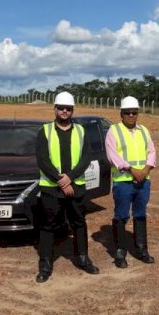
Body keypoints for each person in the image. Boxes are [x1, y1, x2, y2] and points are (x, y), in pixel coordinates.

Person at [34, 91, 99, 283]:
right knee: (48, 226)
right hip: (51, 188)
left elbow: (86, 157)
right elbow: (42, 160)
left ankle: (82, 257)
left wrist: (69, 178)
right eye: (61, 108)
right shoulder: (44, 131)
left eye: (68, 108)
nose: (64, 111)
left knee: (79, 223)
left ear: (72, 110)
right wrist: (60, 180)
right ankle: (45, 263)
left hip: (75, 187)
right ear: (54, 109)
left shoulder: (81, 131)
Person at [104, 96, 157, 268]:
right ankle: (120, 252)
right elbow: (113, 156)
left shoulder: (144, 131)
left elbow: (151, 152)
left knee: (140, 214)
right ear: (121, 113)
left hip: (143, 181)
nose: (131, 115)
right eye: (128, 112)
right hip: (123, 182)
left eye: (134, 112)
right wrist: (132, 170)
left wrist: (145, 170)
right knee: (121, 215)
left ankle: (142, 249)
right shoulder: (114, 131)